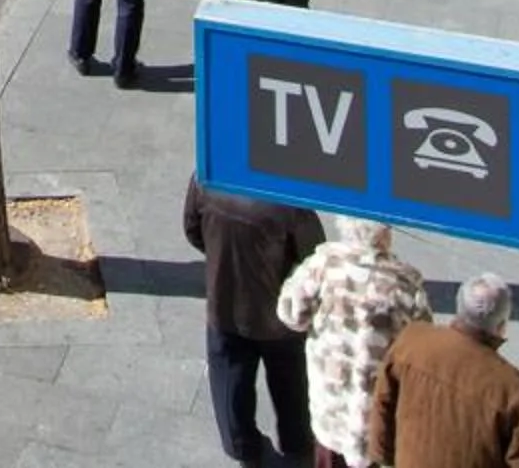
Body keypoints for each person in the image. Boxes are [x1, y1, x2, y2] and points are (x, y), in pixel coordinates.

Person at [184, 175, 324, 466]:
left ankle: (245, 449)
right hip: (279, 319)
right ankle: (297, 449)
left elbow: (193, 230)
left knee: (230, 390)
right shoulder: (288, 198)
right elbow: (314, 257)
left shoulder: (207, 178)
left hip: (225, 308)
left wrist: (224, 262)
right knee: (292, 392)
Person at [280, 215, 435, 468]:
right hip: (379, 417)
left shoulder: (324, 265)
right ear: (385, 235)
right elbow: (424, 347)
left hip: (331, 410)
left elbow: (290, 313)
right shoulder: (406, 284)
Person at [369, 274, 519, 468]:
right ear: (502, 326)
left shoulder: (411, 341)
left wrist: (387, 459)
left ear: (458, 308)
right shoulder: (514, 391)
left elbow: (383, 410)